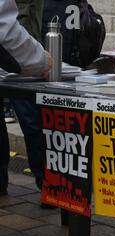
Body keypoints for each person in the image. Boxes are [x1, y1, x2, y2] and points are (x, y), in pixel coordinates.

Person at [0, 0, 52, 196]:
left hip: (22, 45)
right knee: (31, 119)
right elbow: (5, 28)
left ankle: (47, 184)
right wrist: (38, 60)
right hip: (20, 53)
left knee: (31, 120)